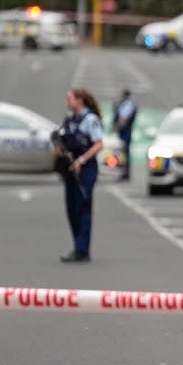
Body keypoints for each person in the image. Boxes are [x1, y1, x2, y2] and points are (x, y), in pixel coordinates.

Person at [55, 87, 105, 263]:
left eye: (70, 98)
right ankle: (77, 245)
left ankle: (82, 249)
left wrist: (82, 160)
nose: (67, 102)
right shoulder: (70, 119)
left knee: (83, 206)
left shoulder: (89, 119)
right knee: (71, 208)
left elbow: (98, 144)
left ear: (80, 100)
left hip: (85, 167)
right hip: (70, 167)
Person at [112, 89, 138, 181]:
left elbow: (123, 119)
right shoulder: (127, 104)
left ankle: (125, 173)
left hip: (125, 133)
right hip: (125, 132)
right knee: (124, 153)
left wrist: (117, 126)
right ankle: (124, 172)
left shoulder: (128, 105)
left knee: (124, 153)